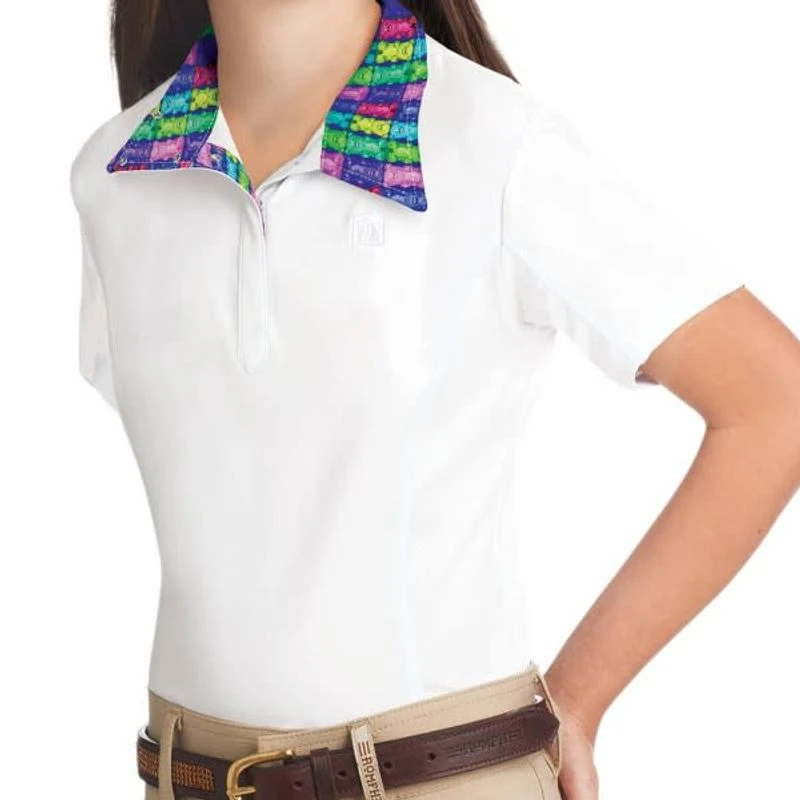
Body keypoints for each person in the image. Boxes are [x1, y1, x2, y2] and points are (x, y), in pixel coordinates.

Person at [69, 1, 800, 799]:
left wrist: (580, 698)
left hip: (441, 774)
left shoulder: (493, 147)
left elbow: (774, 401)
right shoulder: (114, 176)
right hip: (186, 775)